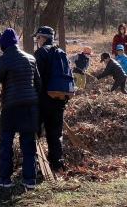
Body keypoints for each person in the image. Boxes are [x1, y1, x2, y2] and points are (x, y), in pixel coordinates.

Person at [0, 28, 40, 189]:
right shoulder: (31, 58)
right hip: (30, 106)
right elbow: (39, 85)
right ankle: (29, 179)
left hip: (11, 106)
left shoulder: (3, 59)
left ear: (4, 44)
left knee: (6, 142)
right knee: (28, 143)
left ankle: (5, 178)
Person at [33, 26, 71, 172]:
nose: (37, 40)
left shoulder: (40, 53)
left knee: (34, 133)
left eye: (38, 38)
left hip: (43, 101)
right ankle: (57, 165)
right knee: (55, 134)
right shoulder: (61, 52)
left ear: (42, 38)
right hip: (59, 100)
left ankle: (34, 166)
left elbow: (36, 79)